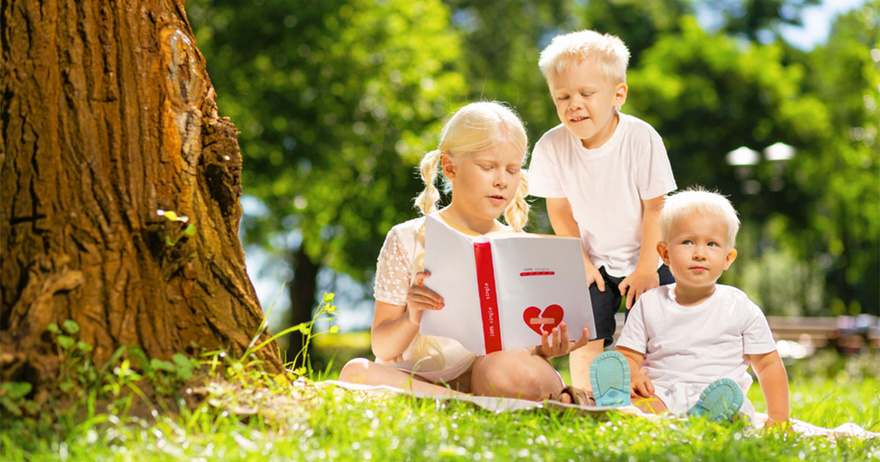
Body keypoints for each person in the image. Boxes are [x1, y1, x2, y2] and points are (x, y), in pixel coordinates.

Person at [338, 101, 592, 404]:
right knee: (356, 371)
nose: (502, 180)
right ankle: (470, 404)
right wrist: (413, 317)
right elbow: (382, 348)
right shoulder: (407, 238)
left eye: (512, 170)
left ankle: (468, 403)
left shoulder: (523, 246)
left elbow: (526, 346)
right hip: (420, 379)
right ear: (450, 167)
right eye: (488, 167)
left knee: (502, 367)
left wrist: (547, 348)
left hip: (498, 374)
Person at [527, 29, 677, 390]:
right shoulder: (551, 147)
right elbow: (559, 212)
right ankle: (587, 397)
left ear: (618, 94)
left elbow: (656, 207)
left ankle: (665, 395)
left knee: (664, 333)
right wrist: (581, 263)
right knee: (585, 330)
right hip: (593, 260)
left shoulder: (641, 138)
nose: (573, 104)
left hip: (650, 256)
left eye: (586, 93)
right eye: (562, 96)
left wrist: (646, 268)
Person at [615, 188, 790, 425]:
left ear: (728, 258)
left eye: (712, 244)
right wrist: (633, 375)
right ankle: (624, 405)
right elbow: (627, 355)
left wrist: (778, 418)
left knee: (732, 408)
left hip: (720, 396)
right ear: (665, 254)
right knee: (640, 406)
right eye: (687, 242)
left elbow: (768, 364)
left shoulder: (739, 307)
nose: (699, 253)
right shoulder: (648, 304)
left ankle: (702, 418)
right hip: (661, 395)